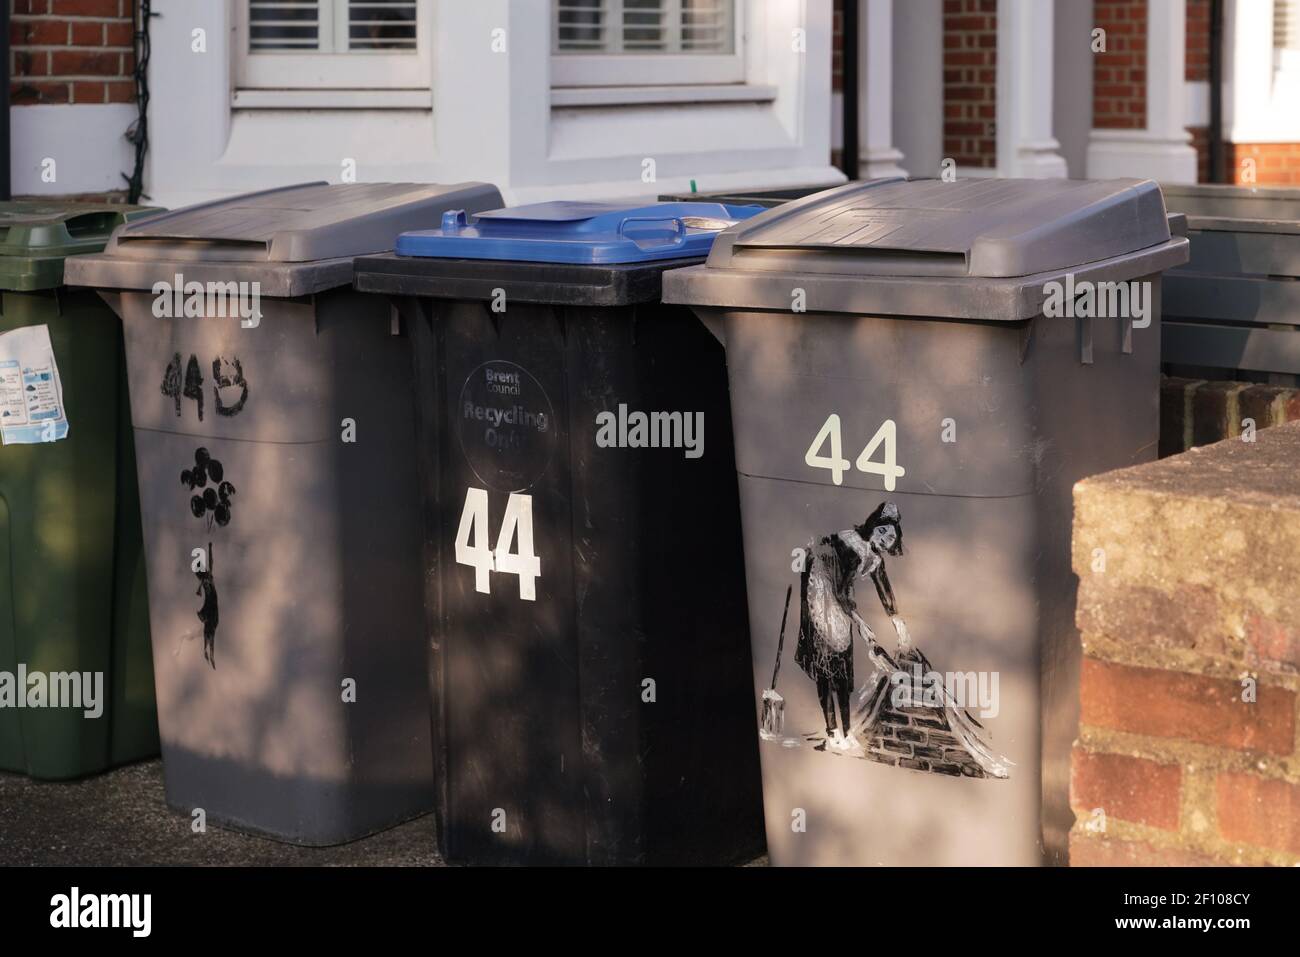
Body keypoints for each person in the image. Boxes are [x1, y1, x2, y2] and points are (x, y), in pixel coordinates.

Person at [795, 501, 910, 750]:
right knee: (826, 667)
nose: (885, 539)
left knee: (842, 669)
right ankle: (833, 731)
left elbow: (884, 588)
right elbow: (838, 589)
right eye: (882, 531)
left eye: (891, 537)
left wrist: (897, 621)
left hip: (841, 598)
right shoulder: (852, 544)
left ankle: (846, 733)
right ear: (872, 526)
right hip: (822, 588)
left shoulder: (874, 556)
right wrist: (860, 623)